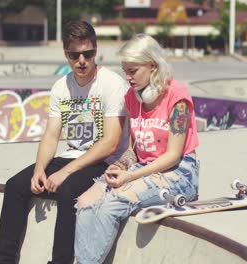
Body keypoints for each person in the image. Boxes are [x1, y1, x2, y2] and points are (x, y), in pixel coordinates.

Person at [0, 21, 129, 264]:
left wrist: (64, 172)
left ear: (96, 51)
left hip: (104, 161)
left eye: (87, 54)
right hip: (72, 157)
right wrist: (39, 170)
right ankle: (3, 260)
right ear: (66, 53)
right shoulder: (61, 87)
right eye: (74, 55)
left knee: (68, 192)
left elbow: (110, 142)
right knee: (15, 186)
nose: (82, 61)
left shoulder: (112, 84)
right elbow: (51, 135)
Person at [73, 33, 200, 264]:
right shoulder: (133, 98)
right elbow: (132, 151)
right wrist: (119, 166)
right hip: (143, 168)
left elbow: (172, 156)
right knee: (85, 202)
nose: (128, 77)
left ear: (152, 66)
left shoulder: (177, 96)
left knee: (114, 202)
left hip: (180, 172)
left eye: (133, 71)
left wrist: (129, 176)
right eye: (125, 71)